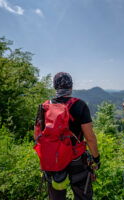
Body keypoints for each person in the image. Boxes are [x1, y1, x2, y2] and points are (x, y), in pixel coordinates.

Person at [35, 72, 100, 200]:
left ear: (54, 86)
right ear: (71, 86)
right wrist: (96, 158)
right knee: (82, 195)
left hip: (54, 159)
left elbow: (37, 136)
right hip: (76, 159)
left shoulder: (44, 106)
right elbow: (90, 138)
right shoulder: (79, 105)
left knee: (56, 196)